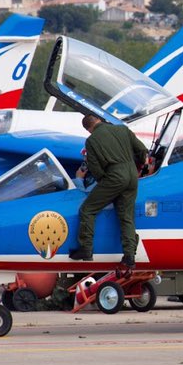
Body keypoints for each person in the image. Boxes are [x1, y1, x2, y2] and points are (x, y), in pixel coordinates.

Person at [68, 114, 149, 271]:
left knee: (88, 210)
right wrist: (139, 167)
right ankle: (129, 256)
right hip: (132, 175)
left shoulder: (91, 141)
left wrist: (106, 182)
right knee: (126, 216)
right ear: (99, 120)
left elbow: (95, 167)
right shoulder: (122, 129)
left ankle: (86, 249)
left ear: (88, 129)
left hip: (114, 176)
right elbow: (142, 151)